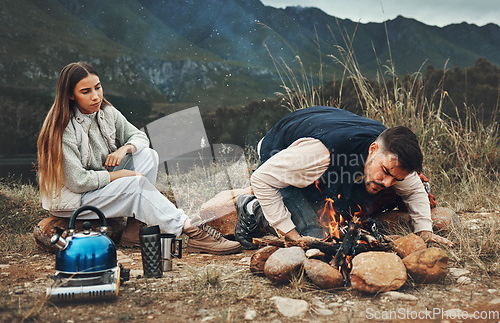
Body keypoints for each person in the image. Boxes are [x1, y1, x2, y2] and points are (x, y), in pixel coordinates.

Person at [37, 62, 242, 255]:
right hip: (73, 199)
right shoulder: (62, 130)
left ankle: (133, 231)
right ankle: (192, 230)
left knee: (147, 155)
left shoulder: (106, 112)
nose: (96, 96)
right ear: (70, 95)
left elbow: (140, 136)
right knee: (135, 184)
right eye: (86, 91)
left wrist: (124, 149)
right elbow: (77, 181)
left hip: (98, 184)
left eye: (98, 87)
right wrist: (121, 175)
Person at [235, 106, 454, 249]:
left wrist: (424, 231)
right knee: (315, 236)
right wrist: (290, 235)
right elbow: (262, 179)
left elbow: (414, 189)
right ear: (373, 149)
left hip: (328, 132)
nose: (388, 183)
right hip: (279, 148)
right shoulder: (318, 154)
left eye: (395, 179)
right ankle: (252, 208)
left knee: (345, 214)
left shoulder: (393, 158)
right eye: (386, 173)